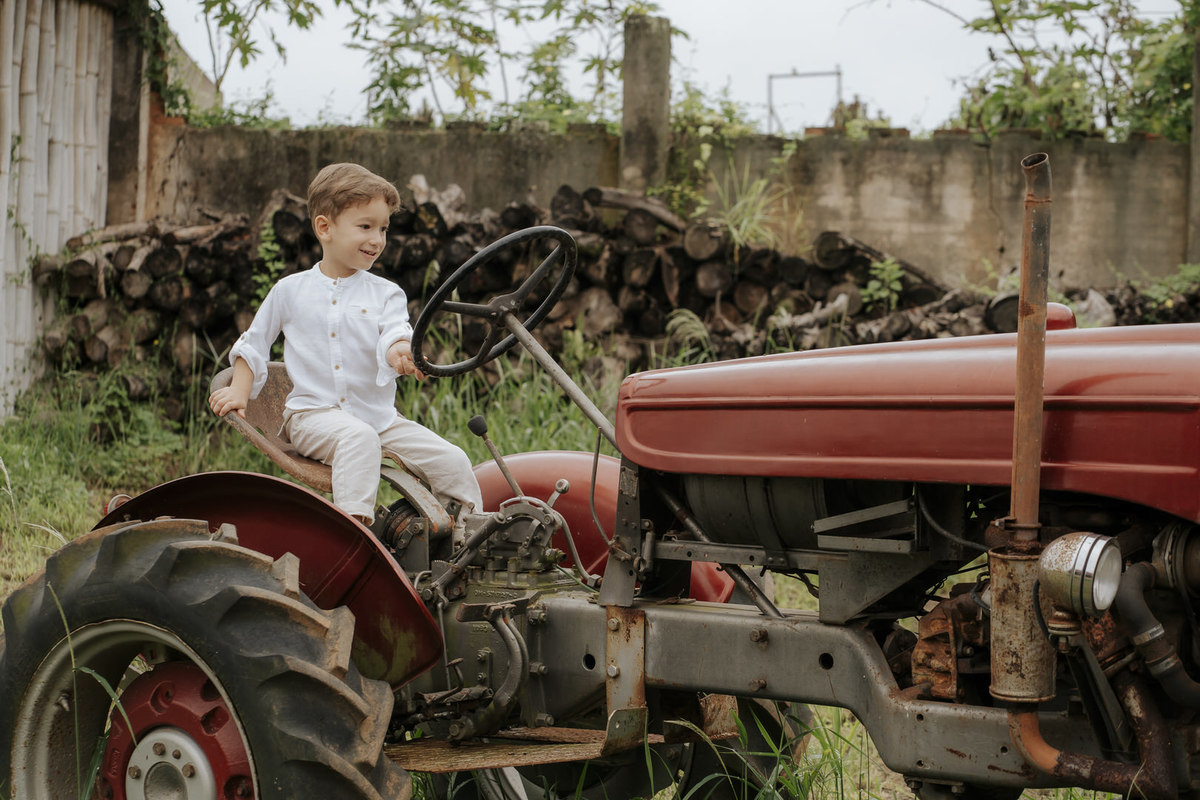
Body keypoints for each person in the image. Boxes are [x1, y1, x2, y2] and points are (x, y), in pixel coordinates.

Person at [208, 162, 483, 527]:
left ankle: (468, 533)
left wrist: (400, 352)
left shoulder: (387, 293)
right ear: (325, 228)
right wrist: (240, 391)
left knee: (452, 460)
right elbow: (254, 343)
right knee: (358, 438)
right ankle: (354, 531)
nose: (377, 239)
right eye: (365, 227)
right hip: (311, 418)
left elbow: (394, 333)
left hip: (380, 419)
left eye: (383, 229)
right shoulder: (290, 291)